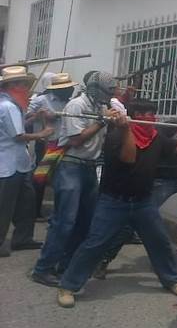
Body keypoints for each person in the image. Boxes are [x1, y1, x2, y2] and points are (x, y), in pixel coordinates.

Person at [56, 98, 177, 308]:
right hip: (113, 202)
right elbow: (129, 158)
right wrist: (125, 130)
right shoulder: (115, 135)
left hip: (143, 202)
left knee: (159, 241)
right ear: (132, 116)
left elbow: (176, 149)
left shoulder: (155, 136)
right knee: (94, 244)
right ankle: (68, 286)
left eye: (150, 114)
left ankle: (171, 280)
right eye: (141, 114)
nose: (147, 118)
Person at [31, 71, 118, 287]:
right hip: (71, 165)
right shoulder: (76, 106)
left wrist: (113, 122)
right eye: (108, 92)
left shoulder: (100, 107)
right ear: (97, 89)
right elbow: (76, 140)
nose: (110, 96)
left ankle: (66, 265)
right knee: (65, 221)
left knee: (85, 222)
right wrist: (102, 122)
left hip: (89, 167)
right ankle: (43, 268)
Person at [0, 66, 53, 257]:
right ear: (13, 86)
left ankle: (23, 238)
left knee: (26, 202)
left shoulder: (11, 105)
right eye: (23, 85)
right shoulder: (8, 107)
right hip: (9, 164)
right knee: (5, 206)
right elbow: (18, 135)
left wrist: (34, 117)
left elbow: (17, 127)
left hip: (18, 164)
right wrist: (42, 133)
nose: (26, 89)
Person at [26, 73, 79, 220]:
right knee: (40, 178)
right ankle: (35, 211)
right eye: (67, 89)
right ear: (57, 89)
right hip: (44, 144)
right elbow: (25, 119)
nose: (70, 91)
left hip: (64, 144)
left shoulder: (71, 103)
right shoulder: (40, 100)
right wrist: (40, 115)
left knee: (61, 178)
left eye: (71, 88)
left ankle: (58, 212)